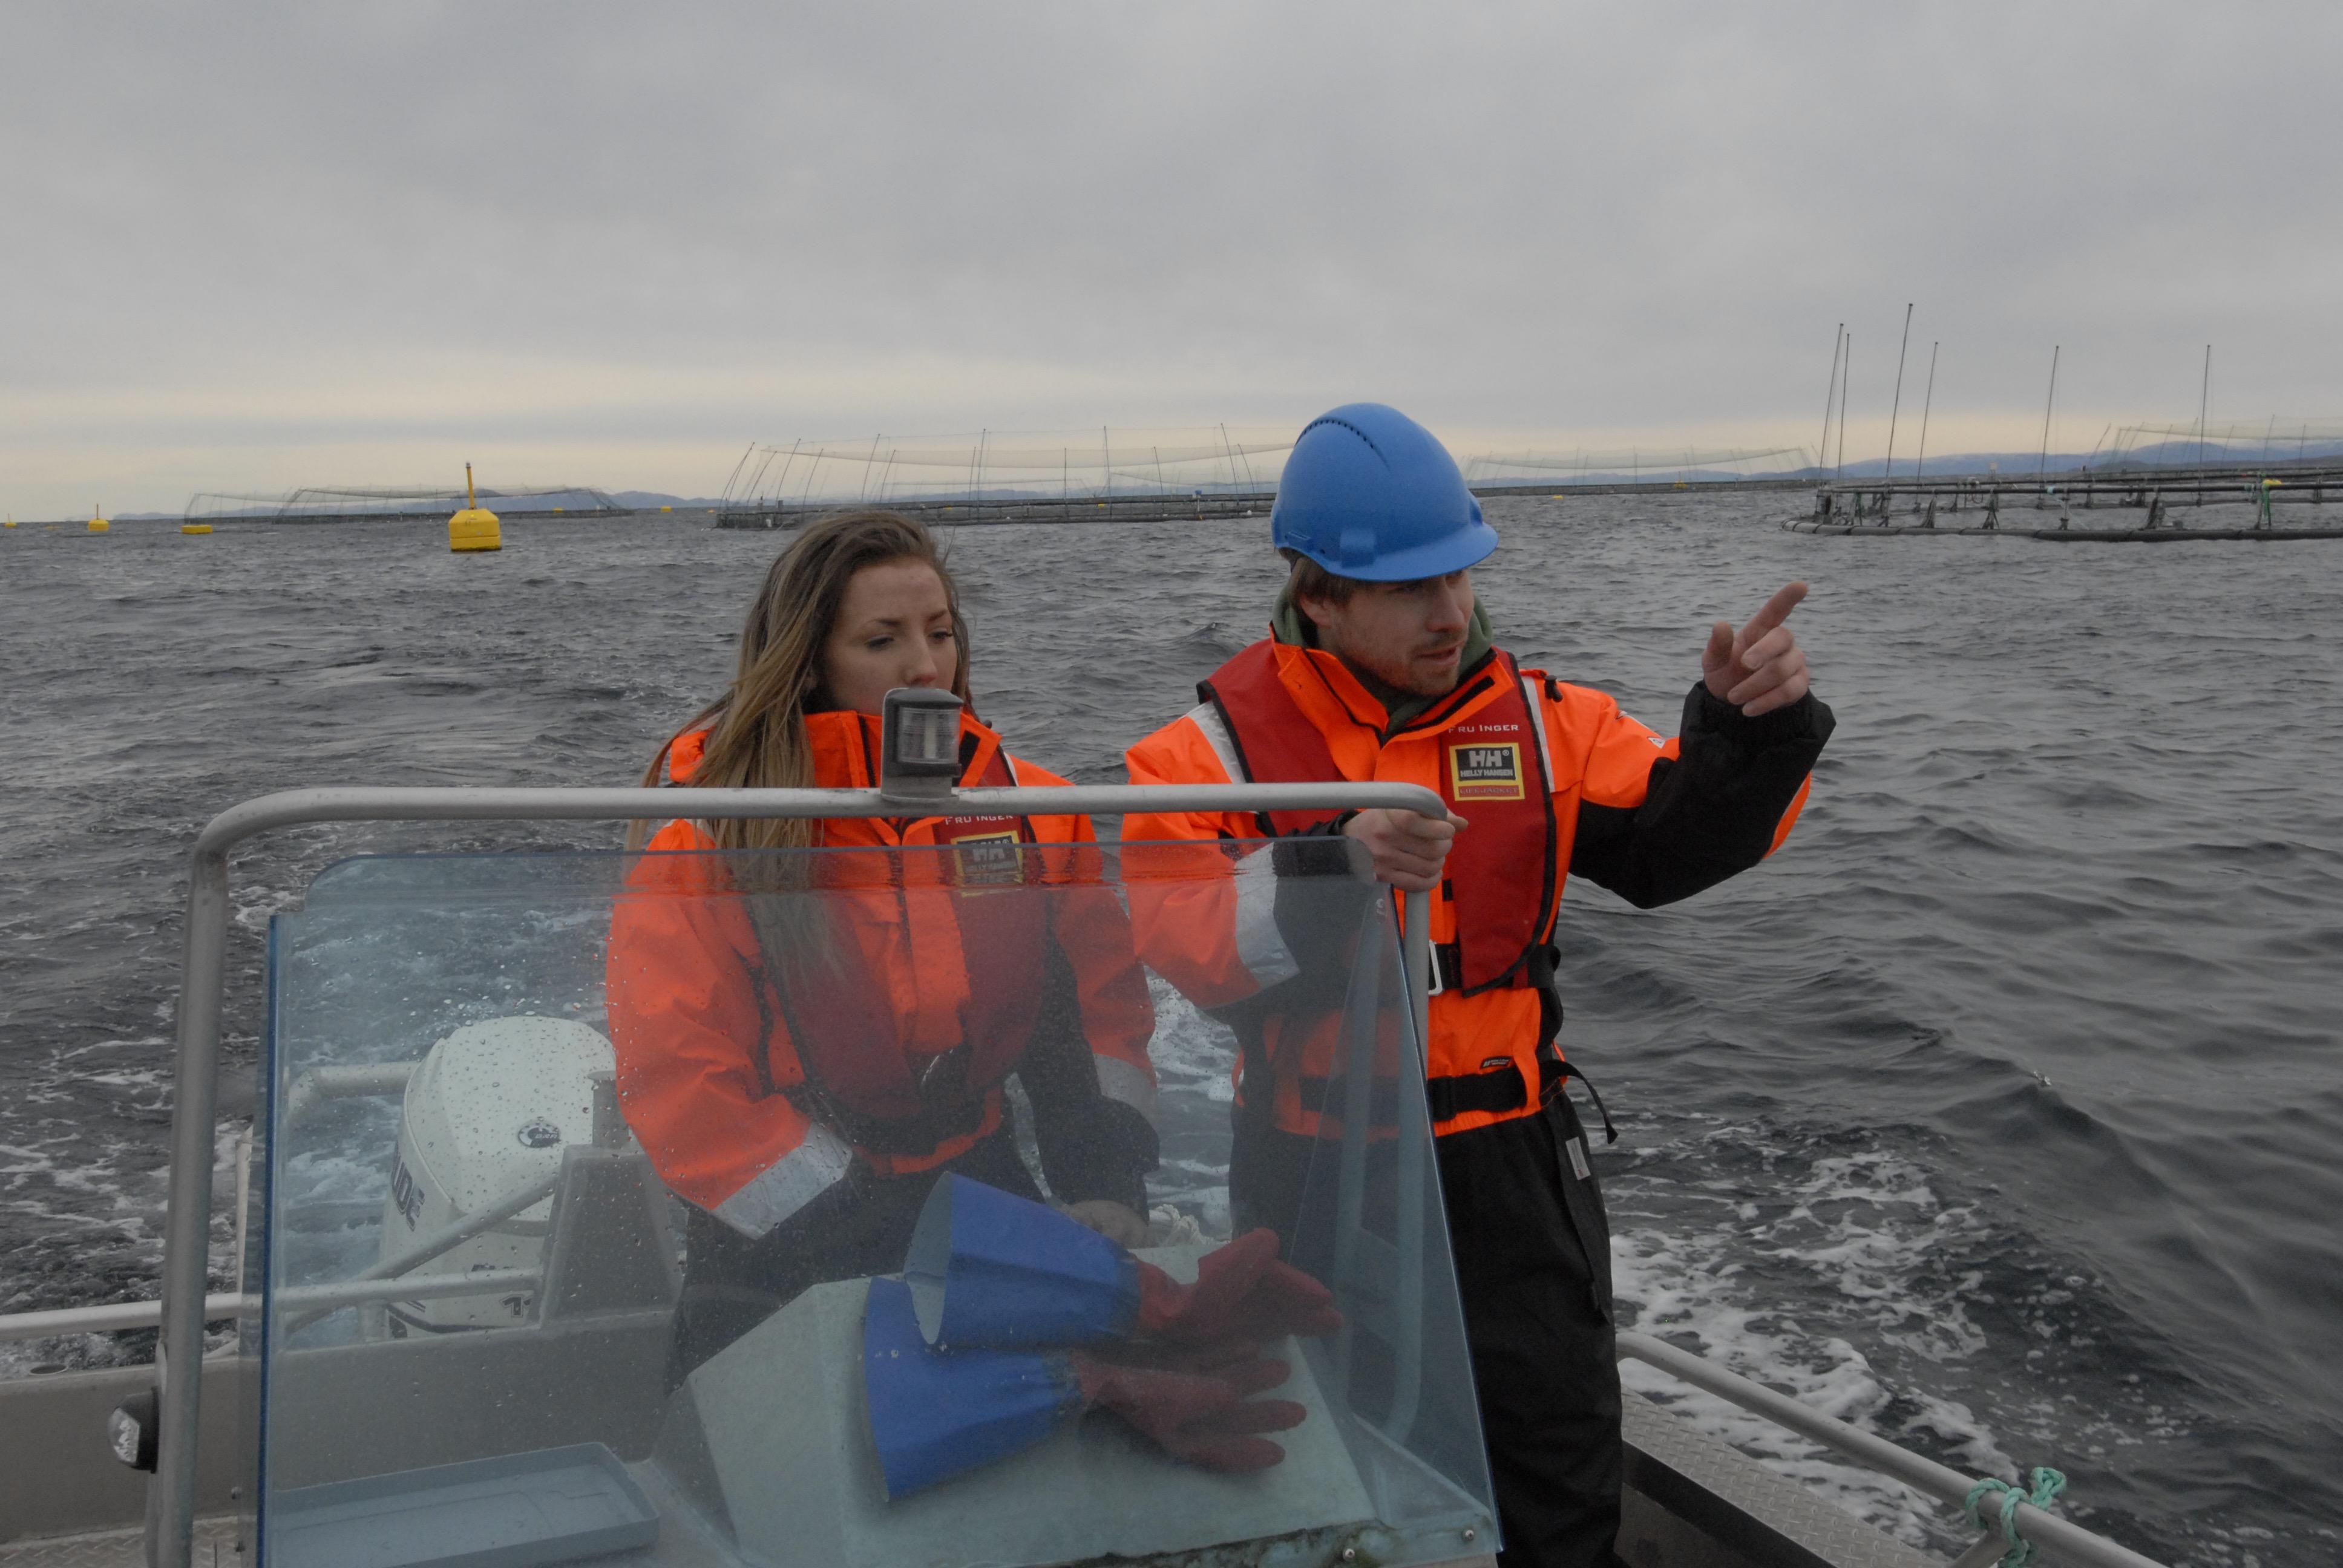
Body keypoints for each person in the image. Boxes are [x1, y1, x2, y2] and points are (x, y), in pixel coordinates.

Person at [1121, 404, 1834, 1568]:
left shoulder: (1551, 724)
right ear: (1319, 598)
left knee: (1556, 1468)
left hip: (1509, 1168)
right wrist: (1331, 865)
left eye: (1458, 573)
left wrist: (1752, 730)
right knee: (1327, 1473)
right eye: (1409, 589)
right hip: (1312, 1171)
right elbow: (1186, 941)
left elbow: (1675, 848)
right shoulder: (1200, 758)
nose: (1450, 610)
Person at [606, 509, 1161, 1380]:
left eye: (940, 632)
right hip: (784, 1235)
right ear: (810, 660)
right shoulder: (714, 831)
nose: (927, 666)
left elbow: (1091, 1012)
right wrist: (843, 1221)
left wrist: (1103, 1177)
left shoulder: (1032, 809)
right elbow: (681, 1074)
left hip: (976, 1182)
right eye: (883, 640)